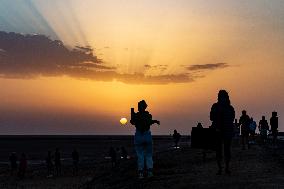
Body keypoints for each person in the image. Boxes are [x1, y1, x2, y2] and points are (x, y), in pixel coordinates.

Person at [130, 100, 160, 179]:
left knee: (140, 156)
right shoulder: (148, 115)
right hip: (147, 135)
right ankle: (150, 172)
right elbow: (149, 122)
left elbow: (132, 122)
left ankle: (141, 174)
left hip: (139, 136)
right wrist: (155, 121)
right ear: (145, 107)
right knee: (149, 155)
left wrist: (133, 116)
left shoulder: (137, 116)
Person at [210, 90, 235, 175]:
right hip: (224, 131)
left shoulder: (216, 106)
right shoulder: (230, 108)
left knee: (220, 150)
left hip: (220, 131)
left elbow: (211, 117)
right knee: (225, 150)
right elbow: (232, 119)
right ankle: (224, 168)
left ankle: (221, 168)